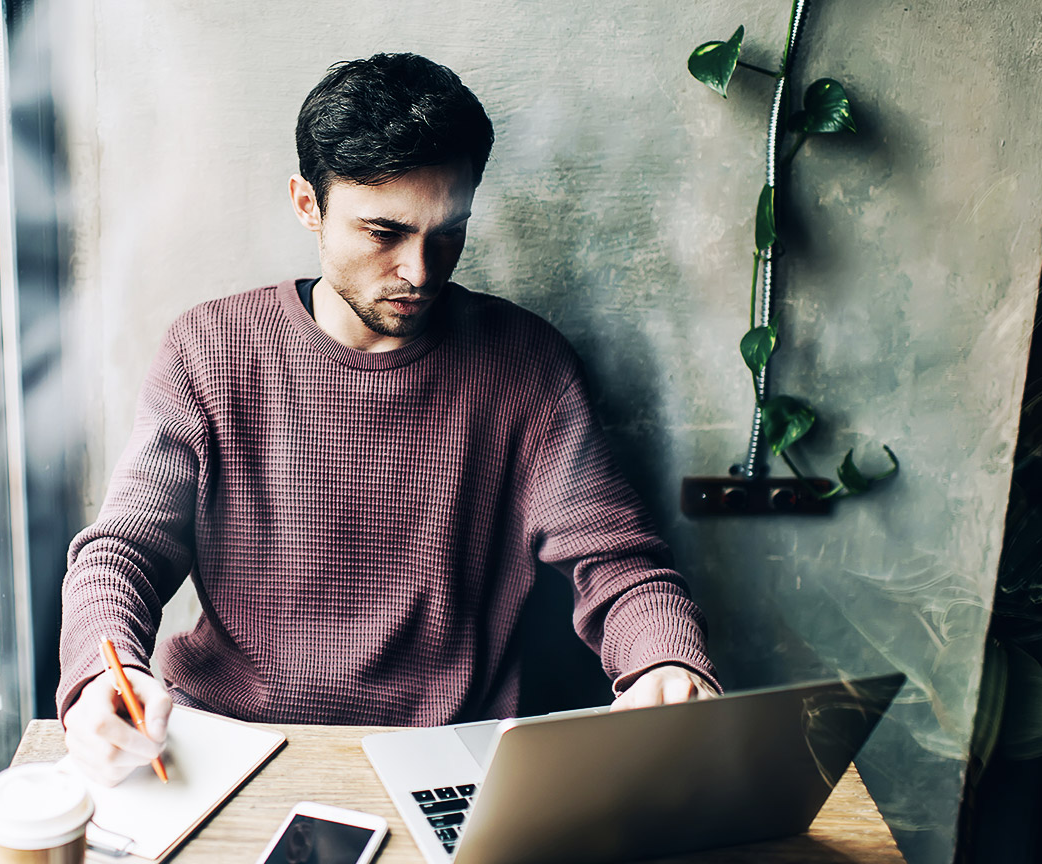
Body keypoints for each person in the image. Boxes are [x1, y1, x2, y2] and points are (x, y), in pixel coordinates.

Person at [58, 53, 720, 786]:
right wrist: (99, 675)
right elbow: (122, 551)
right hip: (229, 740)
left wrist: (666, 658)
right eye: (383, 232)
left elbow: (618, 562)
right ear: (307, 204)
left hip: (448, 758)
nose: (421, 271)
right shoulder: (209, 349)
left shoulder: (528, 365)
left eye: (449, 231)